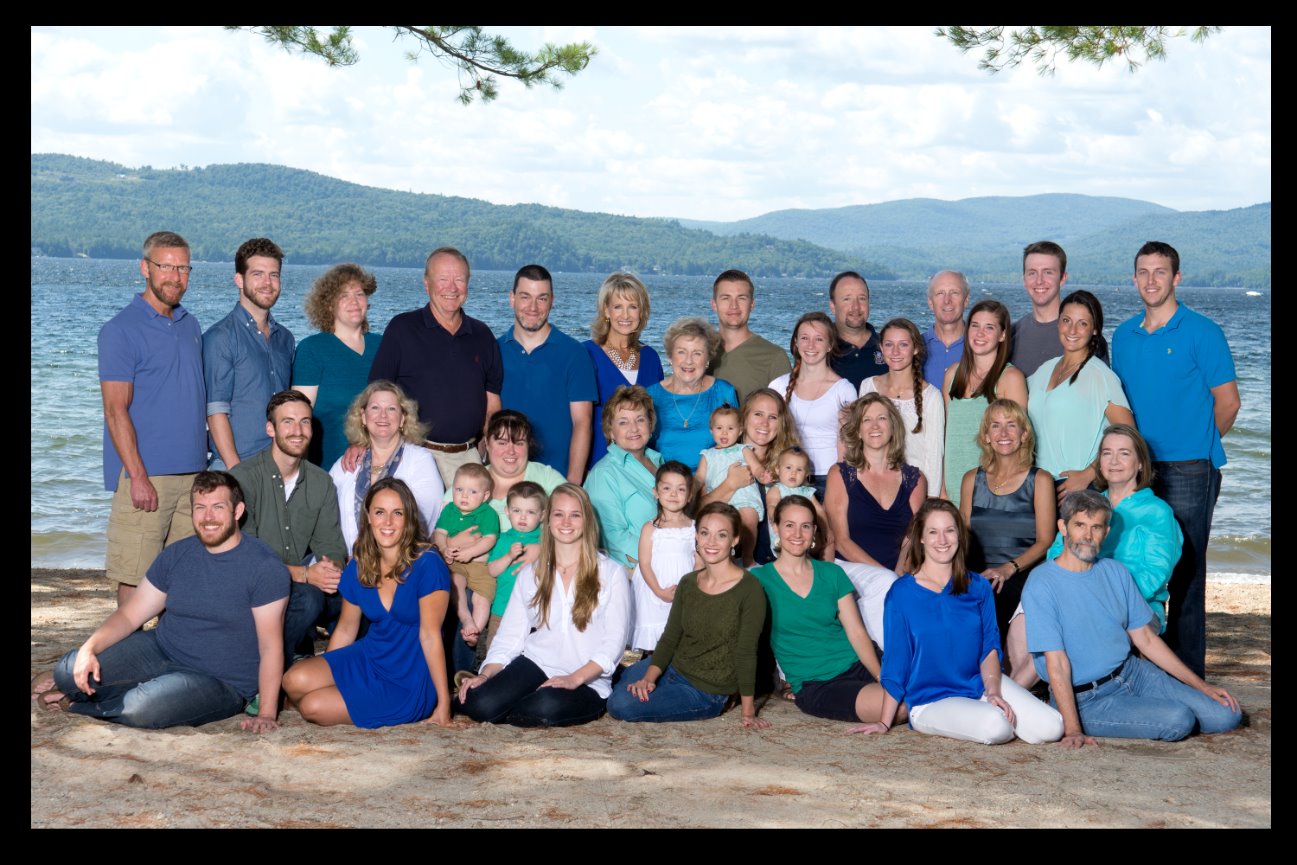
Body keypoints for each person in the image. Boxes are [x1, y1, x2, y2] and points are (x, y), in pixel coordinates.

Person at [33, 472, 288, 732]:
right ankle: (84, 691)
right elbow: (129, 616)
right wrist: (90, 648)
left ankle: (74, 704)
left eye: (218, 507)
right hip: (162, 649)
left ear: (238, 511)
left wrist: (267, 713)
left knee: (141, 707)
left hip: (219, 680)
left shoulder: (264, 566)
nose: (208, 517)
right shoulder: (177, 554)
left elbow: (270, 647)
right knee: (68, 670)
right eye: (200, 508)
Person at [1112, 241, 1240, 679]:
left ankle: (1189, 680)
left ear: (1176, 278)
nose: (1151, 280)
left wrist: (1197, 445)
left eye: (1160, 272)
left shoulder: (1203, 332)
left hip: (1189, 470)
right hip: (1137, 471)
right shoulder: (1123, 336)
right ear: (1134, 279)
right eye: (1143, 272)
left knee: (1184, 576)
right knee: (1133, 567)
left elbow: (1228, 403)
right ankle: (1142, 674)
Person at [1022, 490, 1241, 744]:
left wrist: (1201, 686)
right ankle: (1081, 714)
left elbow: (1145, 639)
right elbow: (1056, 663)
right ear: (1063, 527)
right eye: (1079, 525)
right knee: (1179, 719)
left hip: (1133, 673)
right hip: (1087, 699)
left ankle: (1143, 707)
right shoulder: (1042, 583)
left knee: (1226, 715)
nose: (1088, 536)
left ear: (1106, 531)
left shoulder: (1115, 571)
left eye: (1096, 527)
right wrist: (1073, 730)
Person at [850, 500, 1063, 745]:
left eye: (949, 530)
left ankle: (987, 709)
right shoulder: (901, 593)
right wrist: (884, 721)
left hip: (978, 683)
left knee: (1052, 727)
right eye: (933, 531)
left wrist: (993, 692)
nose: (942, 540)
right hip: (931, 700)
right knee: (997, 725)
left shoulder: (979, 586)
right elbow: (897, 661)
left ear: (959, 535)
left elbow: (989, 648)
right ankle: (979, 716)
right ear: (921, 538)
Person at [281, 478, 454, 728]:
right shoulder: (360, 563)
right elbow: (346, 628)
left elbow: (430, 636)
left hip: (408, 678)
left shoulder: (428, 564)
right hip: (370, 656)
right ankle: (334, 696)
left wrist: (444, 703)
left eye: (398, 513)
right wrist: (332, 671)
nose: (388, 522)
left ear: (409, 518)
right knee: (293, 680)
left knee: (312, 706)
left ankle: (346, 701)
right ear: (369, 517)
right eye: (380, 512)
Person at [458, 484, 631, 727]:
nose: (566, 522)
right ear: (547, 520)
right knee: (480, 703)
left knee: (541, 708)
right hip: (537, 663)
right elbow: (509, 637)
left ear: (587, 520)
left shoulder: (612, 573)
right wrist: (486, 675)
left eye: (575, 515)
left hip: (587, 676)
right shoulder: (531, 573)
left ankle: (532, 700)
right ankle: (501, 697)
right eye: (559, 514)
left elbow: (614, 641)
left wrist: (574, 679)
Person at [99, 231, 207, 607]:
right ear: (145, 268)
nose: (175, 277)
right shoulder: (120, 330)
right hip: (146, 476)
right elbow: (115, 410)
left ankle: (168, 645)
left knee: (181, 580)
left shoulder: (191, 325)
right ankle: (129, 646)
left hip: (193, 474)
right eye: (166, 267)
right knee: (136, 578)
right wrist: (138, 477)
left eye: (183, 268)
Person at [610, 503, 770, 726]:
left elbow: (746, 652)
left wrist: (748, 711)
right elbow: (670, 637)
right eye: (705, 533)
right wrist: (649, 678)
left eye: (721, 535)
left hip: (705, 690)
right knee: (614, 679)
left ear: (735, 540)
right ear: (696, 536)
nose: (711, 542)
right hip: (674, 666)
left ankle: (724, 701)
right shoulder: (688, 582)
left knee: (620, 704)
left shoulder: (749, 589)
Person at [230, 391, 347, 667]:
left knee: (358, 592)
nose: (298, 431)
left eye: (305, 422)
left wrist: (330, 572)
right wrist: (305, 575)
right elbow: (245, 560)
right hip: (252, 587)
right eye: (288, 422)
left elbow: (330, 546)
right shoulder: (243, 479)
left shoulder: (321, 482)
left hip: (299, 582)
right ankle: (267, 665)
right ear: (270, 429)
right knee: (308, 599)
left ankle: (332, 669)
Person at [368, 247, 503, 485]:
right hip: (415, 456)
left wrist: (486, 453)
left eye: (459, 279)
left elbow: (492, 404)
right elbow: (376, 396)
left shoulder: (482, 335)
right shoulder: (402, 329)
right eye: (442, 279)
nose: (451, 288)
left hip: (468, 460)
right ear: (426, 284)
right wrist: (368, 447)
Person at [751, 496, 892, 724]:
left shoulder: (832, 573)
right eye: (789, 525)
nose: (797, 534)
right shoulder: (759, 579)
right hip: (817, 684)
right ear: (775, 527)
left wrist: (882, 677)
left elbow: (857, 633)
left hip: (859, 662)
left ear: (814, 531)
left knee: (920, 687)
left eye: (805, 526)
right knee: (896, 706)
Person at [959, 399, 1056, 642]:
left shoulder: (1041, 480)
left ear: (1024, 434)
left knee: (992, 600)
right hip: (978, 572)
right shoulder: (971, 479)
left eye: (1011, 425)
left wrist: (1008, 568)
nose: (1003, 433)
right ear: (986, 436)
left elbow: (1045, 541)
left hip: (1020, 572)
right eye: (995, 425)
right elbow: (962, 535)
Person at [1027, 290, 1135, 502]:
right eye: (1066, 320)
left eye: (1082, 323)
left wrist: (1089, 474)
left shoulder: (1100, 376)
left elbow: (1129, 436)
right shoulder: (1044, 370)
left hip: (1079, 489)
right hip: (1040, 486)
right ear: (1058, 323)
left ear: (1094, 330)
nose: (1072, 330)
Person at [498, 264, 597, 482]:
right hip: (504, 480)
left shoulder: (575, 354)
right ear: (512, 298)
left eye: (541, 298)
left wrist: (572, 484)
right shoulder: (494, 351)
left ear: (552, 300)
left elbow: (582, 422)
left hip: (556, 480)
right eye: (525, 297)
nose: (533, 307)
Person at [203, 238, 295, 470]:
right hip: (235, 467)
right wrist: (239, 473)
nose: (267, 283)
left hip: (278, 465)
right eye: (258, 274)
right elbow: (215, 413)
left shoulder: (285, 339)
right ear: (239, 280)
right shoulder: (221, 337)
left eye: (274, 275)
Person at [330, 381, 444, 555]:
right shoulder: (346, 463)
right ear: (363, 417)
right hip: (347, 561)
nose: (383, 415)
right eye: (375, 408)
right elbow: (326, 516)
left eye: (391, 409)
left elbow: (424, 520)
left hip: (401, 560)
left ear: (403, 418)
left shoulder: (421, 460)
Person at [292, 263, 382, 468]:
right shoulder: (312, 349)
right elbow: (299, 417)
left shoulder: (383, 345)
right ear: (329, 305)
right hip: (327, 468)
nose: (354, 302)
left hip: (381, 468)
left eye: (359, 294)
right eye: (344, 296)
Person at [827, 393, 927, 574]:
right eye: (866, 420)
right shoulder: (840, 475)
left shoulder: (915, 479)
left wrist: (898, 576)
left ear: (893, 427)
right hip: (851, 572)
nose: (875, 425)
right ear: (858, 431)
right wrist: (885, 576)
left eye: (882, 418)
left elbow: (912, 539)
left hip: (898, 574)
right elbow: (841, 541)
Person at [700, 389, 802, 565]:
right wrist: (729, 485)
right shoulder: (716, 458)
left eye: (773, 417)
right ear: (744, 418)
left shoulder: (790, 466)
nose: (764, 423)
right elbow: (696, 512)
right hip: (731, 562)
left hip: (778, 562)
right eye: (758, 414)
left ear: (781, 424)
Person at [942, 300, 1028, 507]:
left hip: (991, 488)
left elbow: (1020, 441)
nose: (980, 333)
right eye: (975, 325)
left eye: (989, 327)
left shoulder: (1010, 378)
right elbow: (945, 435)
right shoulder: (952, 374)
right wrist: (943, 488)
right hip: (952, 484)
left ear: (1002, 335)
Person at [770, 312, 857, 499]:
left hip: (827, 478)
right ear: (795, 342)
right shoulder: (777, 386)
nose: (810, 345)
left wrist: (840, 483)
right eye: (804, 338)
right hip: (786, 477)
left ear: (830, 345)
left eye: (819, 339)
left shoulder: (844, 390)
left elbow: (847, 444)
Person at [584, 272, 664, 469]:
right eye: (618, 306)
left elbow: (655, 418)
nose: (626, 315)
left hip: (643, 467)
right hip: (598, 464)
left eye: (633, 307)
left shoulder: (651, 357)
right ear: (606, 311)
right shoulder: (586, 354)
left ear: (642, 312)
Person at [859, 317, 945, 495]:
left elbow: (934, 455)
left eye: (903, 344)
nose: (895, 351)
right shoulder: (868, 386)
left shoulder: (932, 397)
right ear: (881, 348)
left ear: (916, 348)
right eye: (889, 344)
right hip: (872, 486)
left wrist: (930, 498)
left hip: (914, 490)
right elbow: (860, 442)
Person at [584, 385, 665, 568]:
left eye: (640, 419)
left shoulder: (660, 462)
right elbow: (612, 538)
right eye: (623, 422)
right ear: (610, 431)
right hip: (635, 572)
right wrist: (661, 560)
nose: (634, 428)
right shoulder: (603, 474)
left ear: (650, 424)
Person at [445, 409, 566, 529]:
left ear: (528, 445)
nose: (511, 451)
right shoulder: (467, 480)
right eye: (502, 443)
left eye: (519, 443)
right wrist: (452, 539)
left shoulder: (548, 478)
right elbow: (441, 529)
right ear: (487, 443)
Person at [647, 317, 739, 466]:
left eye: (697, 353)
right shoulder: (650, 396)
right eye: (681, 352)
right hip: (661, 478)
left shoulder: (724, 392)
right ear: (670, 356)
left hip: (714, 478)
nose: (688, 361)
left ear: (708, 359)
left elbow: (736, 447)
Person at [1010, 241, 1109, 378]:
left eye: (1048, 273)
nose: (1039, 281)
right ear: (1024, 279)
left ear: (1063, 278)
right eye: (1032, 273)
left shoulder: (1084, 336)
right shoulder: (1010, 335)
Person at [630, 461, 700, 652]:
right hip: (654, 589)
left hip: (683, 589)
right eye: (667, 488)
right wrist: (659, 591)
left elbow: (698, 563)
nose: (673, 494)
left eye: (681, 489)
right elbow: (644, 563)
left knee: (678, 636)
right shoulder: (650, 527)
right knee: (654, 639)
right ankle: (647, 662)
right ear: (656, 492)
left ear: (690, 495)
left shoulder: (694, 527)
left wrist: (691, 590)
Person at [434, 463, 500, 649]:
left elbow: (489, 539)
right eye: (459, 489)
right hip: (455, 563)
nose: (464, 496)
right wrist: (444, 548)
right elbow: (439, 533)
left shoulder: (488, 513)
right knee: (456, 584)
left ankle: (474, 631)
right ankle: (466, 619)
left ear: (485, 496)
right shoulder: (449, 510)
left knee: (482, 598)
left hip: (480, 565)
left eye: (472, 492)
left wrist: (470, 553)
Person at [696, 405, 769, 564]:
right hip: (720, 500)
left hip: (744, 497)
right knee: (720, 528)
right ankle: (726, 560)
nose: (724, 433)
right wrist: (692, 486)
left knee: (749, 520)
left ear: (740, 431)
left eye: (730, 428)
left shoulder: (743, 450)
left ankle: (748, 557)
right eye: (719, 428)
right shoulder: (707, 455)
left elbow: (756, 467)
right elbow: (699, 478)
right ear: (711, 430)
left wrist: (762, 475)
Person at [484, 482, 548, 653]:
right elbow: (492, 570)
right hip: (502, 608)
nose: (523, 517)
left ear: (542, 515)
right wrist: (509, 556)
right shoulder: (503, 539)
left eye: (531, 512)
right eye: (517, 510)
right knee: (496, 649)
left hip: (536, 611)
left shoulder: (546, 540)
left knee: (529, 654)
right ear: (507, 511)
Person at [709, 269, 791, 401]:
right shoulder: (700, 352)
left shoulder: (774, 358)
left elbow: (785, 411)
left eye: (741, 298)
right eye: (725, 298)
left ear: (752, 304)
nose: (734, 306)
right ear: (714, 304)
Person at [764, 446, 831, 559]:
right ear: (778, 469)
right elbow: (772, 506)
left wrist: (826, 530)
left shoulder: (807, 492)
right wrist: (778, 520)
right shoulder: (776, 490)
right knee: (786, 552)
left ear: (806, 474)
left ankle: (827, 566)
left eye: (799, 470)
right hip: (784, 536)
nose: (793, 473)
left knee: (828, 542)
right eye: (788, 468)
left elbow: (819, 511)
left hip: (806, 535)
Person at [826, 271, 887, 390]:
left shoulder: (889, 347)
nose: (856, 306)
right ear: (833, 306)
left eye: (862, 298)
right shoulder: (819, 348)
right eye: (847, 299)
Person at [923, 270, 970, 386]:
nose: (947, 300)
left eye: (954, 293)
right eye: (940, 293)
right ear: (930, 302)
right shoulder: (914, 347)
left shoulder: (982, 347)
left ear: (966, 300)